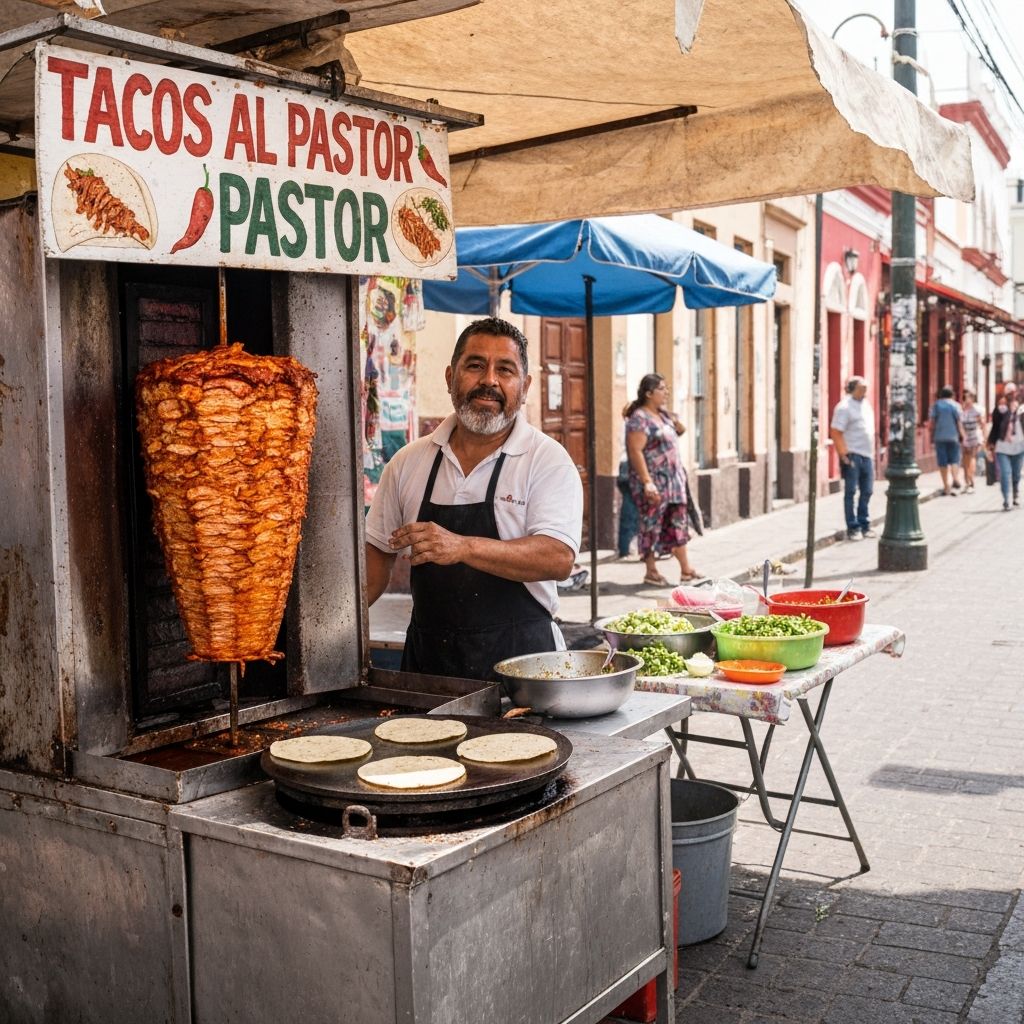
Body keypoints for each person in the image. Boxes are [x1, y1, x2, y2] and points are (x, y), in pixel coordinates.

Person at [365, 317, 583, 680]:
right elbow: (375, 559)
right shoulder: (408, 462)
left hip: (524, 674)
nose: (489, 381)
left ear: (525, 386)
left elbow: (557, 557)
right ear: (451, 377)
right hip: (427, 672)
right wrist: (333, 630)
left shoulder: (546, 459)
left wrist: (462, 547)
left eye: (505, 369)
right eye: (475, 365)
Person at [625, 373, 701, 586]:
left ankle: (686, 570)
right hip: (654, 483)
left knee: (678, 523)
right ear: (649, 393)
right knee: (651, 525)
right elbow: (635, 451)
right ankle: (651, 570)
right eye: (662, 389)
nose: (666, 392)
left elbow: (681, 430)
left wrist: (671, 417)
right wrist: (647, 481)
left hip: (674, 482)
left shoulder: (663, 416)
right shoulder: (639, 418)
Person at [829, 375, 876, 541]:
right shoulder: (844, 407)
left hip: (867, 455)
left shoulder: (866, 405)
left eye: (866, 388)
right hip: (853, 454)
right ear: (852, 388)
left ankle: (864, 523)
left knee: (868, 490)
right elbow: (835, 431)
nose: (865, 390)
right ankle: (853, 526)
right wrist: (843, 454)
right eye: (862, 388)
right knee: (851, 491)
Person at [987, 382, 1024, 511]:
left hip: (1019, 446)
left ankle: (1015, 493)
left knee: (1016, 474)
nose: (1011, 396)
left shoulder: (1022, 408)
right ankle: (1006, 499)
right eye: (1008, 393)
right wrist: (990, 444)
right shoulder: (1001, 409)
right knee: (1004, 473)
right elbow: (996, 426)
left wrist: (1017, 410)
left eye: (1013, 393)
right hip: (1003, 447)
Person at [929, 385, 965, 496]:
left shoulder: (936, 405)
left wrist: (932, 435)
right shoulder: (956, 405)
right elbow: (959, 422)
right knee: (955, 459)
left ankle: (946, 486)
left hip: (939, 436)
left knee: (942, 461)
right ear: (952, 395)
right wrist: (962, 434)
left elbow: (932, 422)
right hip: (953, 436)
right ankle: (955, 478)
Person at [616, 404, 639, 559]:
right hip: (630, 467)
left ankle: (626, 547)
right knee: (631, 511)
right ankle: (625, 549)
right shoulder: (633, 427)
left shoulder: (625, 424)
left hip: (624, 467)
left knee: (630, 510)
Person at [959, 388, 984, 494]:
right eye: (965, 397)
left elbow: (982, 424)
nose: (966, 399)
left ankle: (971, 480)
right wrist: (963, 436)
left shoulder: (976, 409)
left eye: (968, 397)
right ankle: (967, 481)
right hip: (965, 436)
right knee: (965, 460)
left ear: (973, 398)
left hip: (974, 435)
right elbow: (959, 424)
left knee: (972, 458)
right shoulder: (962, 410)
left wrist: (984, 438)